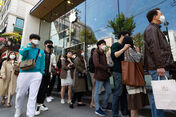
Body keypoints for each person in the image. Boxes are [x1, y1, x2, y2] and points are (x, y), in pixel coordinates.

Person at [144, 8, 174, 117]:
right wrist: (160, 66)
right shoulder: (152, 29)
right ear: (155, 17)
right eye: (161, 13)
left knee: (158, 97)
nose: (162, 15)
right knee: (159, 97)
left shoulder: (154, 29)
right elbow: (154, 48)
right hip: (158, 68)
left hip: (158, 67)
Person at [15, 34, 45, 117]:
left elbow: (43, 63)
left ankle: (30, 114)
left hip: (36, 74)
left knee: (33, 95)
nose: (36, 40)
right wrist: (29, 45)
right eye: (34, 39)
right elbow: (21, 52)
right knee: (20, 94)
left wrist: (41, 73)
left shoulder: (41, 52)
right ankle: (18, 110)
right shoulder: (26, 48)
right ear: (30, 39)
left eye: (37, 39)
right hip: (24, 73)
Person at [122, 36, 149, 117]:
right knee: (134, 105)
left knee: (134, 104)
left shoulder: (124, 51)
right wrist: (138, 52)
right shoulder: (129, 50)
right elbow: (138, 59)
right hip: (134, 80)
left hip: (130, 79)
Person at [111, 31, 131, 117]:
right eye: (126, 37)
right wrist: (124, 49)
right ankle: (115, 114)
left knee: (124, 92)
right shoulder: (116, 45)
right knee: (117, 92)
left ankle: (125, 111)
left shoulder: (124, 46)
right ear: (122, 36)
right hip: (118, 72)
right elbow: (114, 55)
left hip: (125, 72)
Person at [35, 40, 57, 116]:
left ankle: (41, 104)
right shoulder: (40, 53)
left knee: (44, 90)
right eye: (48, 43)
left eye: (51, 44)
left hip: (48, 74)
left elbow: (54, 64)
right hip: (40, 74)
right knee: (40, 89)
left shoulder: (53, 55)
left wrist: (54, 66)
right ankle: (38, 106)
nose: (50, 45)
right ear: (45, 45)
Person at [93, 40, 112, 116]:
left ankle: (104, 106)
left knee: (109, 91)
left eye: (105, 44)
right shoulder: (95, 53)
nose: (104, 45)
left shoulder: (103, 54)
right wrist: (106, 67)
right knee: (97, 92)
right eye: (103, 44)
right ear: (99, 45)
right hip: (99, 76)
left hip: (105, 75)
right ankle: (97, 109)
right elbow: (97, 64)